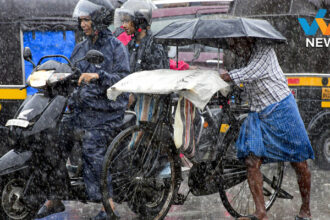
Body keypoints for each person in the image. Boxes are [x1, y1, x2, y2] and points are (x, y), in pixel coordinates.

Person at [35, 0, 130, 219]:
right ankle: (56, 196)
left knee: (91, 145)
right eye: (81, 20)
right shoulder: (80, 47)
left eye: (86, 19)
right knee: (51, 138)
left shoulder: (116, 47)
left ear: (98, 20)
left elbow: (124, 79)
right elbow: (73, 74)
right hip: (83, 111)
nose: (83, 24)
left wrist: (99, 76)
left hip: (107, 112)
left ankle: (108, 204)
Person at [220, 38, 314, 220]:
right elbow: (242, 81)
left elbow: (248, 73)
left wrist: (222, 77)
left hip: (281, 109)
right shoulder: (241, 57)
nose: (233, 48)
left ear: (247, 40)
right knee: (251, 161)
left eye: (235, 43)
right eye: (231, 45)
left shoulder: (264, 50)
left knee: (299, 161)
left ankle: (306, 210)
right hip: (258, 113)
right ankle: (260, 212)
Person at [114, 0, 169, 119]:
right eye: (123, 21)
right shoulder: (131, 44)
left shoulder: (154, 45)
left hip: (149, 103)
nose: (124, 25)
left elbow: (155, 77)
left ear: (139, 22)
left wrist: (135, 94)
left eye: (127, 21)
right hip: (131, 102)